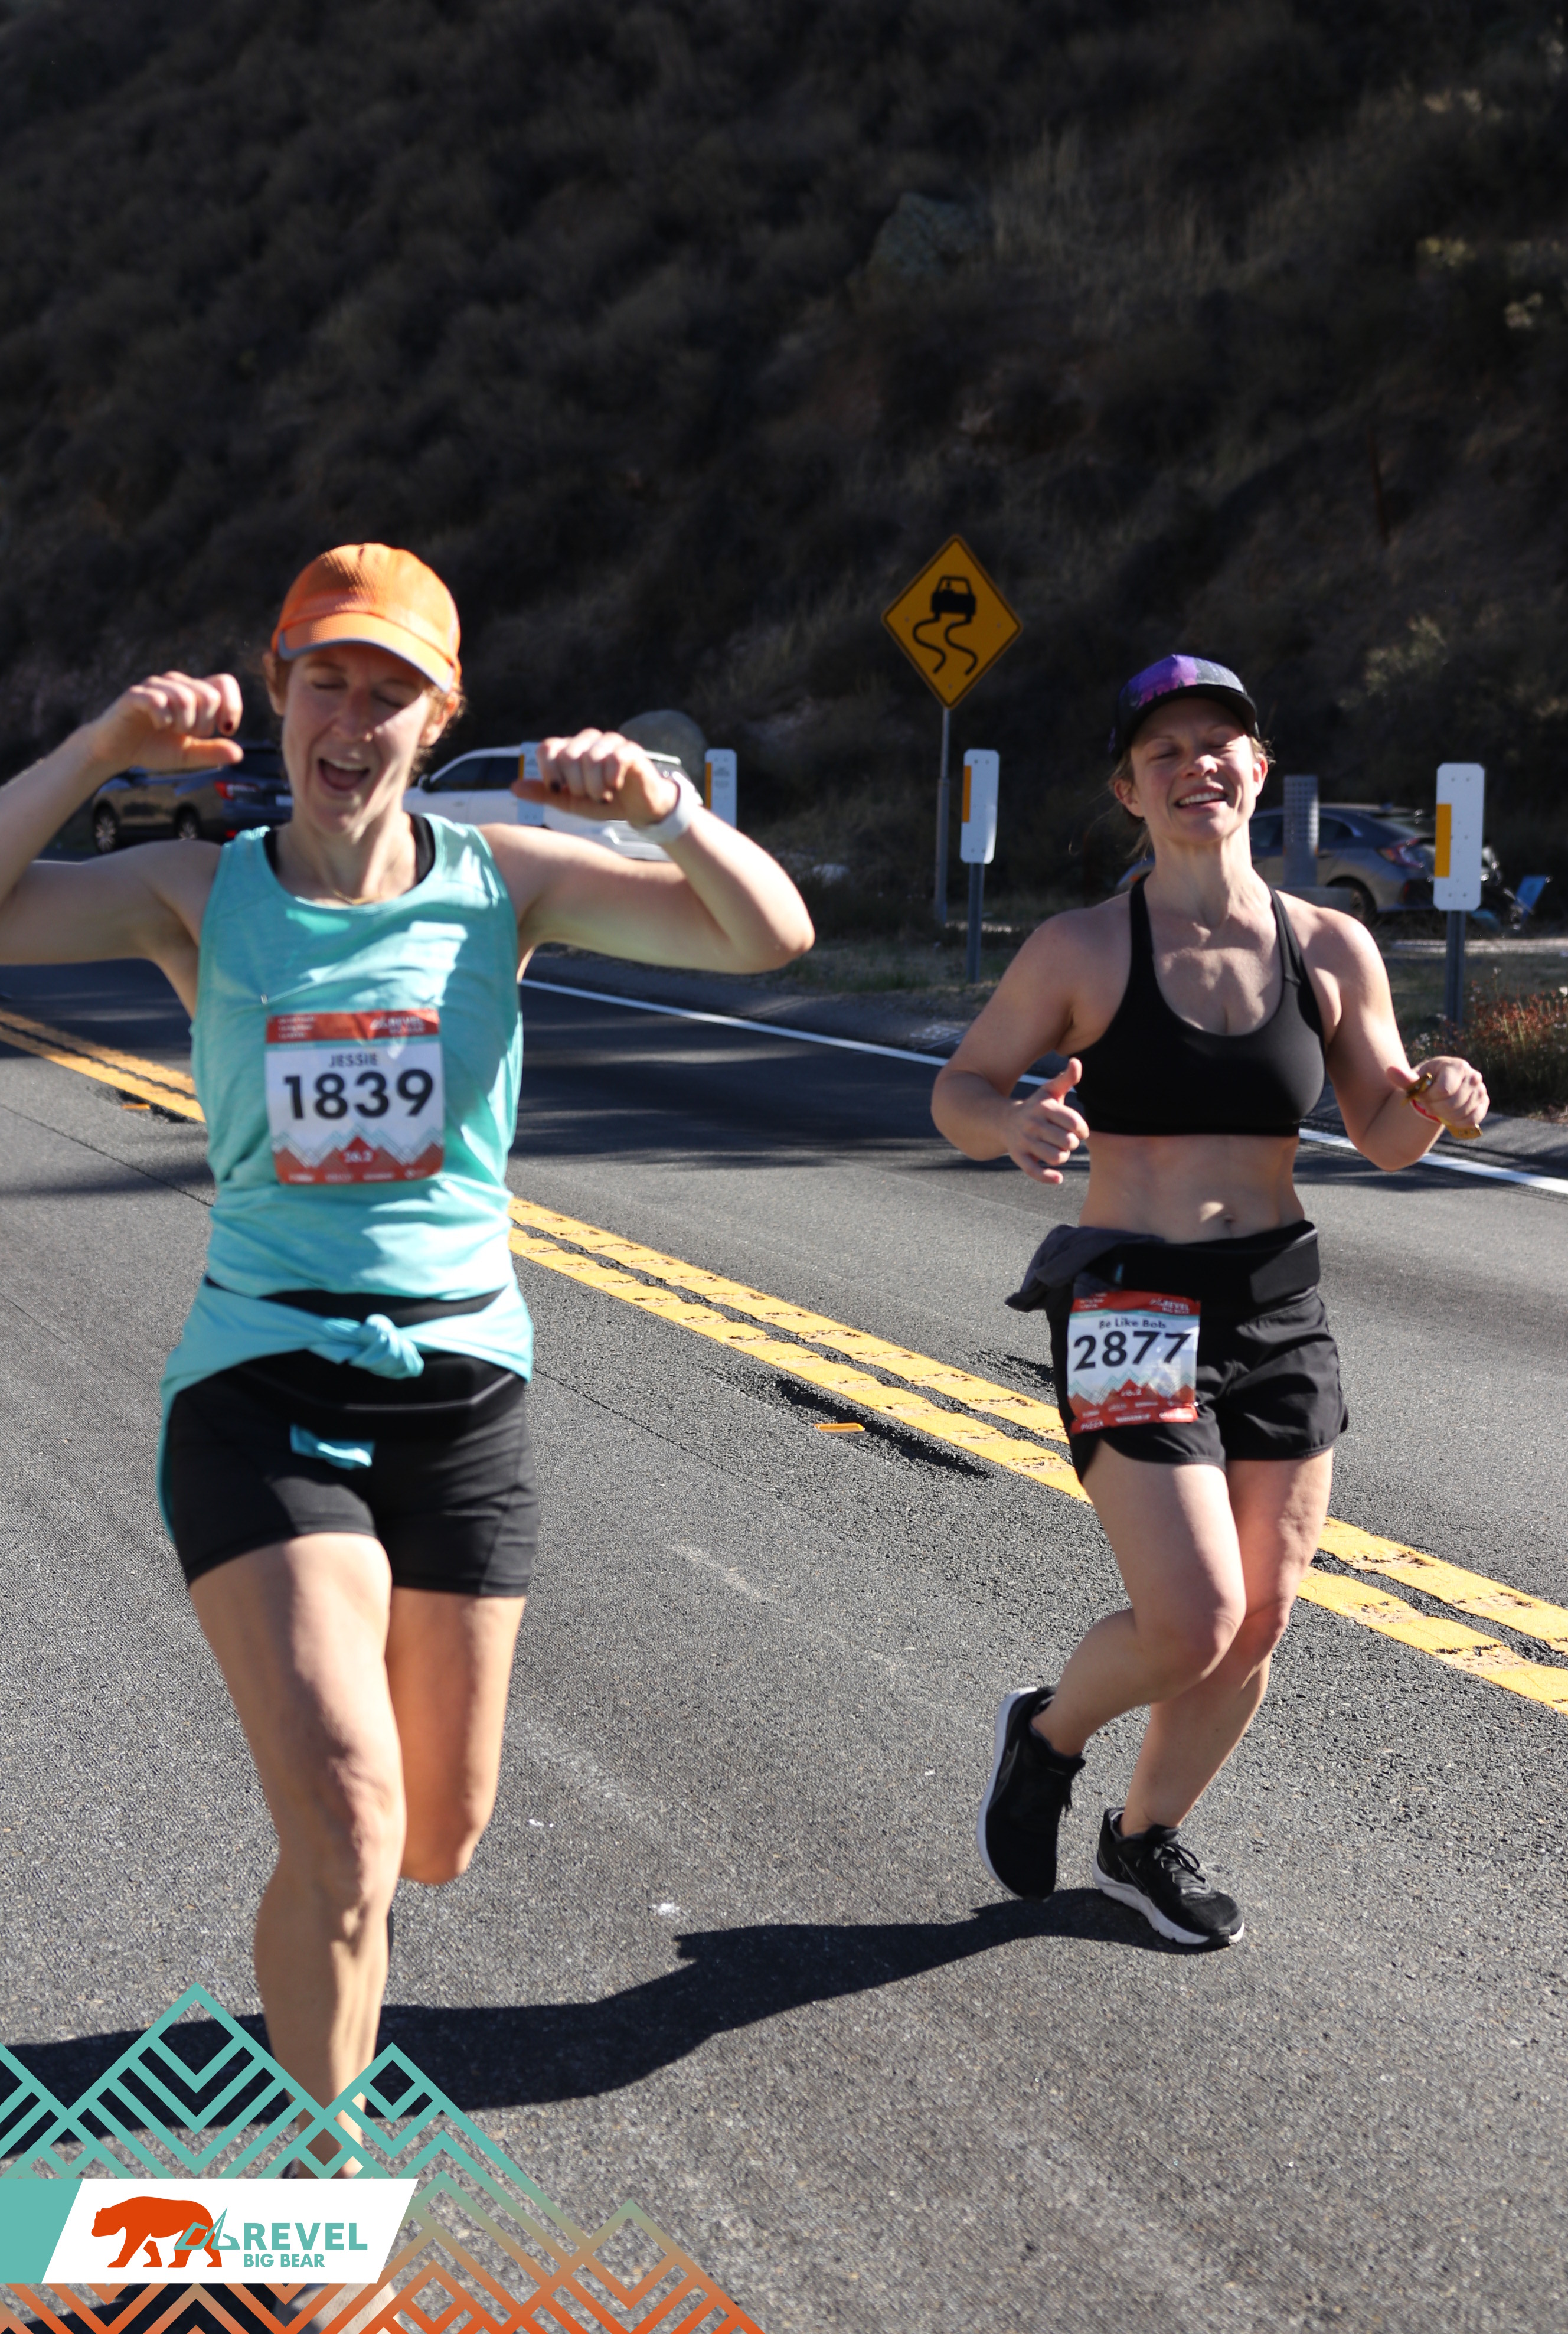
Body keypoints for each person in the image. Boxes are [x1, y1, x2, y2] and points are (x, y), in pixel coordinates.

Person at [0, 544, 813, 2117]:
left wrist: (665, 809)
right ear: (280, 692)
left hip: (462, 1398)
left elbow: (762, 935)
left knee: (430, 1836)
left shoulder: (508, 881)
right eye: (327, 682)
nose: (352, 719)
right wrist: (103, 748)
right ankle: (325, 2174)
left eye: (391, 692)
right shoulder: (201, 888)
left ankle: (329, 1929)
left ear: (439, 721)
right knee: (352, 1824)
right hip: (260, 1381)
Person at [933, 654, 1487, 1948]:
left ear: (1259, 770)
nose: (1196, 767)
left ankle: (1142, 1840)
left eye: (1218, 745)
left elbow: (1384, 1132)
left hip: (1276, 1297)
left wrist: (1440, 1096)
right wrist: (1007, 1125)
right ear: (1129, 790)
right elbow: (961, 1087)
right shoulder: (1081, 947)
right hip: (1128, 1292)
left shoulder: (1328, 947)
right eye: (1164, 752)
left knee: (1261, 1619)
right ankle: (1047, 1735)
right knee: (1192, 1619)